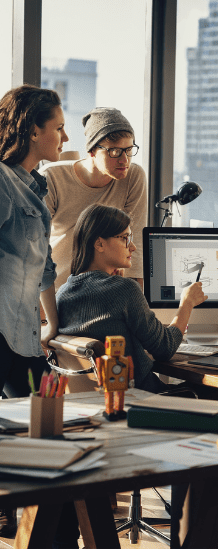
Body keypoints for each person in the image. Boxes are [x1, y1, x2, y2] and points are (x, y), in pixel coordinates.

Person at [0, 84, 66, 538]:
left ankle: (51, 533)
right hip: (1, 331)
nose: (63, 138)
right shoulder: (1, 182)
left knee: (46, 429)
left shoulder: (36, 185)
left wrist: (53, 322)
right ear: (32, 129)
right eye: (58, 128)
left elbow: (43, 268)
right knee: (32, 434)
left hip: (25, 332)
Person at [56, 203, 207, 393]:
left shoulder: (62, 293)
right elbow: (165, 348)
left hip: (96, 404)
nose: (133, 247)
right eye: (125, 238)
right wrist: (187, 303)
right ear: (99, 243)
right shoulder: (124, 290)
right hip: (143, 401)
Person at [40, 107, 147, 289]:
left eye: (129, 150)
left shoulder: (133, 176)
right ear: (92, 151)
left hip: (103, 291)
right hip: (56, 289)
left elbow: (134, 244)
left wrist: (135, 301)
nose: (124, 160)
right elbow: (38, 249)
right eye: (114, 151)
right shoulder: (52, 178)